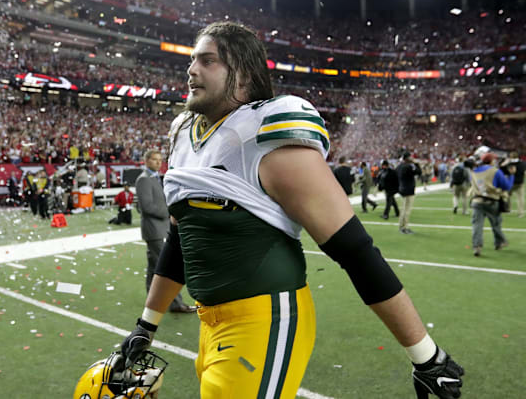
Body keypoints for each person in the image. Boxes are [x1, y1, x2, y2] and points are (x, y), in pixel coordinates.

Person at [119, 22, 463, 399]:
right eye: (192, 60)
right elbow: (179, 241)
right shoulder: (184, 134)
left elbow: (356, 251)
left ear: (244, 74)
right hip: (209, 323)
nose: (192, 69)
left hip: (263, 322)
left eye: (208, 60)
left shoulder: (268, 134)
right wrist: (146, 324)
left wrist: (426, 355)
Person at [135, 149, 195, 314]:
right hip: (155, 230)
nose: (158, 163)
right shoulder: (144, 180)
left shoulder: (155, 178)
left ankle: (152, 302)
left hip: (159, 228)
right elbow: (146, 207)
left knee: (154, 266)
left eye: (160, 160)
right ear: (146, 160)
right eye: (154, 160)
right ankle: (175, 303)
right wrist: (169, 211)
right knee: (168, 267)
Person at [469, 152, 515, 256]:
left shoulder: (474, 171)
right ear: (492, 160)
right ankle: (499, 242)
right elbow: (507, 186)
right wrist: (511, 175)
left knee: (477, 225)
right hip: (491, 201)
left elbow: (472, 183)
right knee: (496, 223)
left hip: (477, 201)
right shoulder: (495, 171)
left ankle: (477, 246)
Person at [396, 153, 422, 234]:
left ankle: (401, 226)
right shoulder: (409, 166)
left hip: (402, 189)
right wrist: (416, 163)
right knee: (406, 210)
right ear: (407, 158)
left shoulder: (399, 166)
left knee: (403, 209)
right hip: (409, 190)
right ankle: (404, 227)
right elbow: (419, 172)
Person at [508, 151, 525, 218]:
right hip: (520, 183)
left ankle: (509, 209)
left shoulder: (510, 164)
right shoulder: (522, 163)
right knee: (520, 198)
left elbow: (509, 173)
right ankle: (521, 213)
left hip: (511, 183)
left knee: (507, 196)